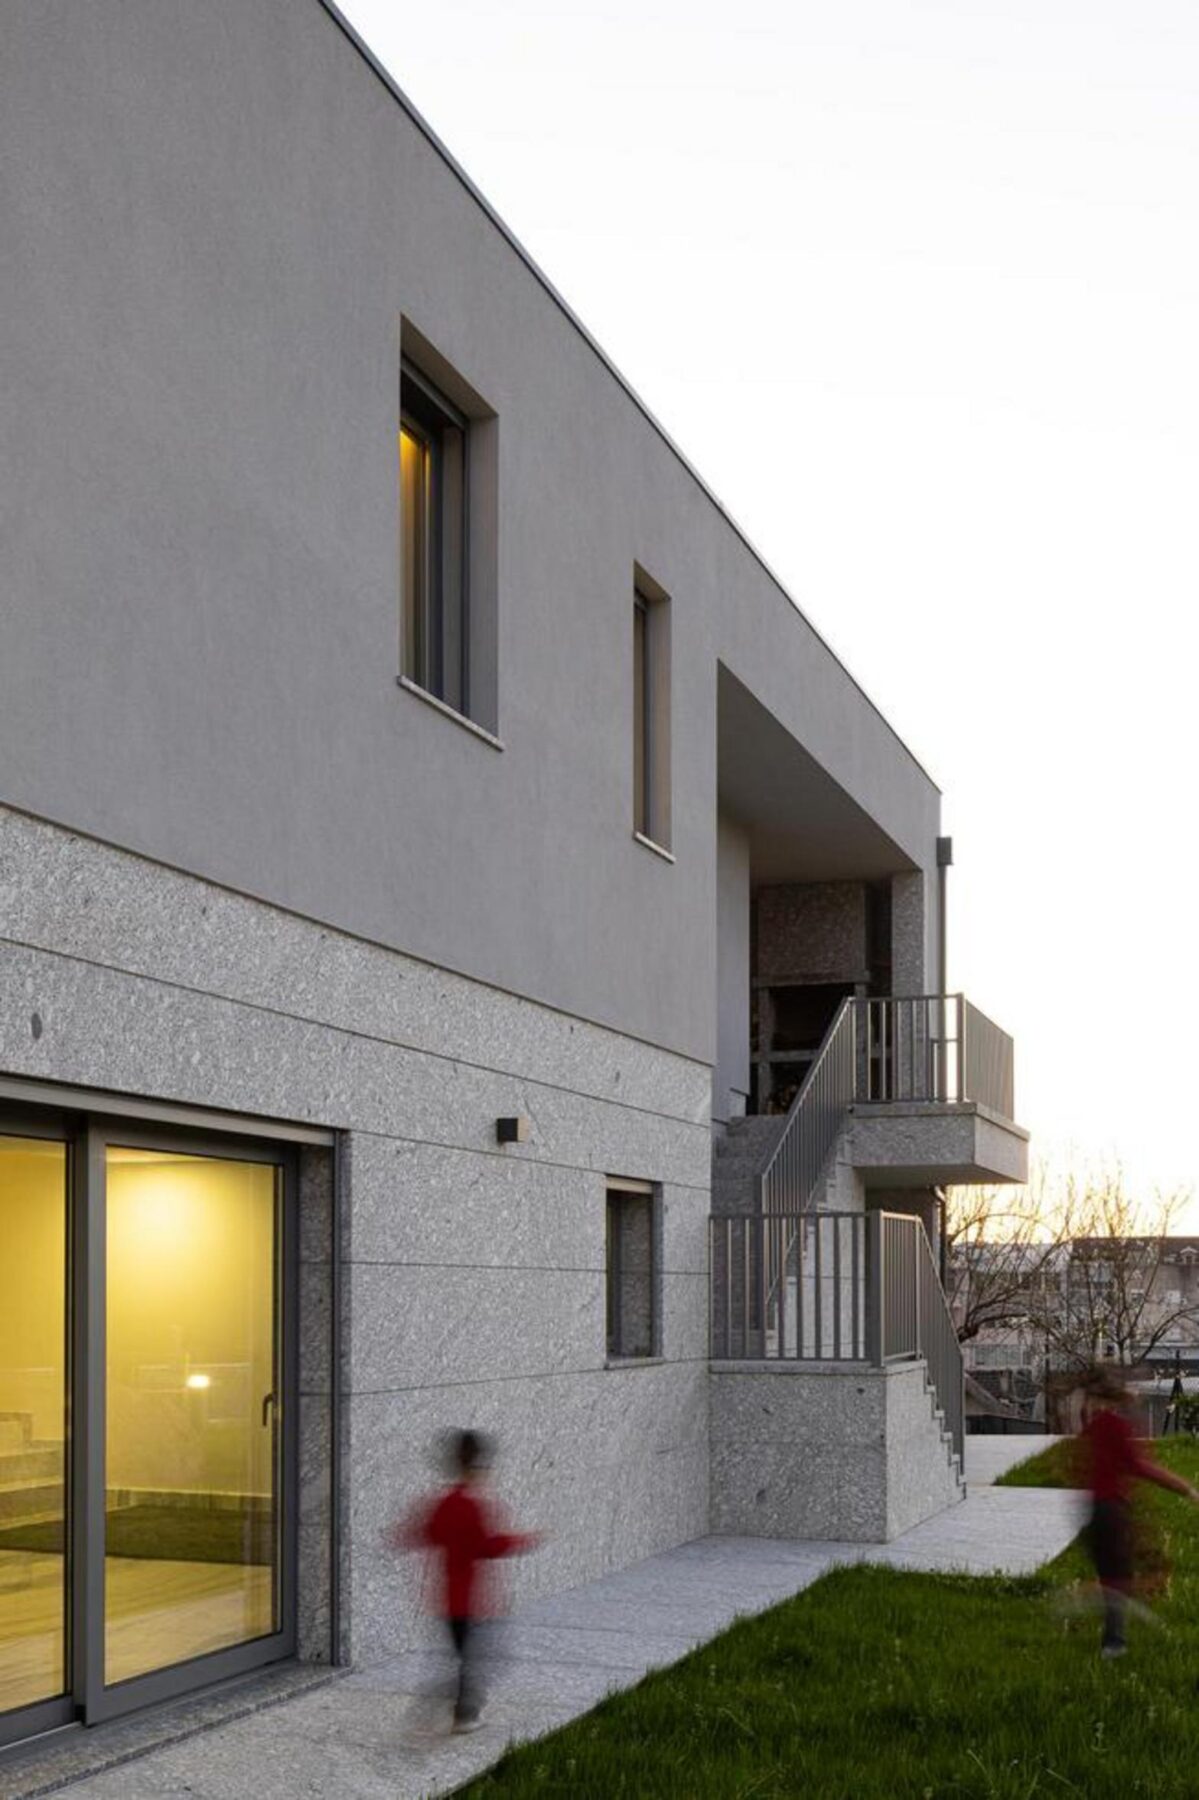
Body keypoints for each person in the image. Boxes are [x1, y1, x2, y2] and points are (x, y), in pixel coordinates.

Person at [397, 1429, 540, 1731]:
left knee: (468, 1658)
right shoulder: (473, 1505)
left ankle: (457, 1706)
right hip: (475, 1602)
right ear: (477, 1467)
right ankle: (461, 1712)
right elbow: (488, 1546)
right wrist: (524, 1540)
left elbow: (426, 1533)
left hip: (448, 1599)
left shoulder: (444, 1502)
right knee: (483, 1660)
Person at [1080, 1365, 1199, 1657]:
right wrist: (1186, 1488)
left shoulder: (1094, 1425)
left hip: (1095, 1509)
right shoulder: (1116, 1426)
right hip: (1111, 1511)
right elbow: (1139, 1467)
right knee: (1119, 1576)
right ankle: (1114, 1643)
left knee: (1113, 1573)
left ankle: (1112, 1634)